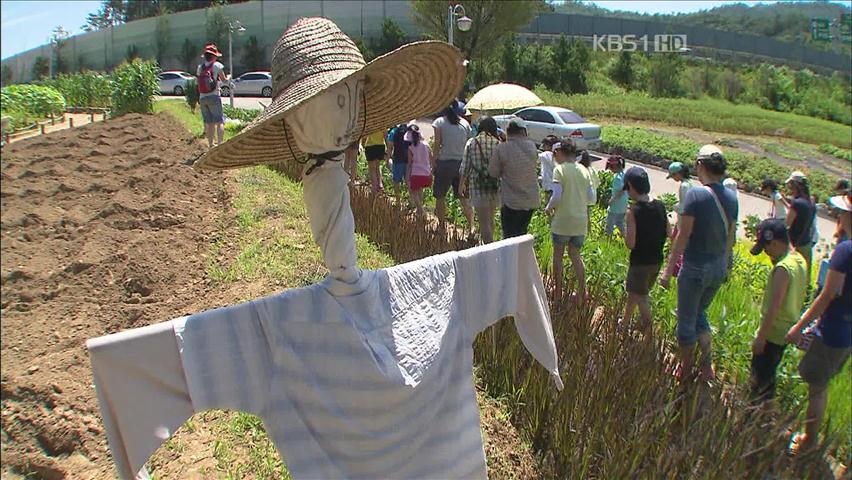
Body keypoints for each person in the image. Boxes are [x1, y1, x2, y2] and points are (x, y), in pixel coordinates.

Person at [660, 145, 738, 382]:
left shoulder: (696, 194)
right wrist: (726, 266)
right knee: (699, 313)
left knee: (685, 319)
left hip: (695, 267)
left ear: (701, 165)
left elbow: (683, 235)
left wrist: (667, 270)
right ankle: (707, 366)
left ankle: (685, 369)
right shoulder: (732, 197)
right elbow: (731, 237)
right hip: (717, 267)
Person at [785, 192, 851, 455]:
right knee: (820, 384)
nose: (838, 216)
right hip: (847, 330)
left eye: (842, 212)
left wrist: (799, 326)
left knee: (817, 388)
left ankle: (808, 441)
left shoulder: (846, 250)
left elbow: (828, 294)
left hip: (832, 329)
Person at [748, 219, 807, 404]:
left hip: (772, 333)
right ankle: (764, 414)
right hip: (785, 330)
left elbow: (775, 307)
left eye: (767, 248)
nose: (767, 253)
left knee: (760, 380)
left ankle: (755, 419)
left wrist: (761, 337)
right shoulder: (799, 259)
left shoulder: (783, 269)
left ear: (775, 242)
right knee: (769, 375)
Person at [545, 138, 594, 300]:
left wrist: (548, 208)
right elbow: (591, 197)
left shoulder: (559, 170)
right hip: (580, 222)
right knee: (575, 256)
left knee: (558, 256)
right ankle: (582, 291)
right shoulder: (584, 170)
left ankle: (558, 291)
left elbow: (556, 196)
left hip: (563, 221)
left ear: (561, 152)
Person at [623, 167, 669, 333]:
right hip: (656, 260)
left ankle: (649, 331)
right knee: (635, 293)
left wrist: (624, 232)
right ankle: (625, 322)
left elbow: (631, 243)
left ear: (630, 186)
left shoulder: (632, 211)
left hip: (640, 262)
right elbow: (669, 232)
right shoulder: (660, 205)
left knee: (641, 296)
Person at [489, 117, 540, 239]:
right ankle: (520, 257)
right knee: (522, 233)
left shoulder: (502, 148)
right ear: (524, 131)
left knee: (509, 236)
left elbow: (493, 172)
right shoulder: (532, 146)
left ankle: (510, 258)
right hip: (530, 199)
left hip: (511, 201)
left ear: (508, 131)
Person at [459, 116, 502, 244]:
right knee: (490, 219)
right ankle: (491, 244)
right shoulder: (498, 143)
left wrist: (461, 184)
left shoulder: (472, 142)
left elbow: (465, 166)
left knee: (483, 222)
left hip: (477, 186)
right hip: (495, 185)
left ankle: (489, 248)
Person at [432, 100, 474, 228]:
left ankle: (442, 226)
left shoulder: (439, 122)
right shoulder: (465, 123)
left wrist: (433, 162)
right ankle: (471, 226)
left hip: (445, 163)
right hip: (461, 164)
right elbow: (468, 144)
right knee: (464, 198)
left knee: (440, 196)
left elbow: (437, 144)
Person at [784, 171, 816, 285]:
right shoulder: (811, 202)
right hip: (806, 244)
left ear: (796, 185)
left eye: (790, 185)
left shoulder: (797, 203)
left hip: (793, 245)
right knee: (804, 281)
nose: (790, 189)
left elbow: (786, 225)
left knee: (789, 280)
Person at [196, 43, 227, 149]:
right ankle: (220, 145)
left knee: (209, 123)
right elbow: (224, 80)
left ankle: (210, 145)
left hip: (203, 98)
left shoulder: (200, 68)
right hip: (214, 96)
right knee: (219, 121)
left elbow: (199, 82)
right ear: (214, 56)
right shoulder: (217, 65)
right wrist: (229, 81)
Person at [405, 125, 432, 218]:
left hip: (416, 172)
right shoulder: (426, 145)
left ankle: (421, 209)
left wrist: (407, 175)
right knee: (420, 190)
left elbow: (409, 163)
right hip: (426, 173)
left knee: (414, 192)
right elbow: (431, 158)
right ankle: (419, 210)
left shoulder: (411, 148)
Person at [385, 123, 411, 206]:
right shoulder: (409, 131)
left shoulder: (393, 132)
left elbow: (390, 147)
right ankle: (412, 201)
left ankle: (398, 201)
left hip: (397, 159)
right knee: (408, 180)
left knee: (396, 181)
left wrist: (387, 159)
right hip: (408, 159)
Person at [605, 155, 628, 236]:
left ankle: (608, 241)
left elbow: (621, 191)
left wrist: (612, 200)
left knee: (609, 224)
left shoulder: (617, 178)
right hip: (624, 204)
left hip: (616, 204)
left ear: (613, 167)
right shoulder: (624, 175)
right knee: (620, 222)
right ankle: (625, 237)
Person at [578, 150, 599, 235]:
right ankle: (589, 233)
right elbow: (597, 182)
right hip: (592, 196)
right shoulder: (591, 169)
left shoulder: (580, 169)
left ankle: (585, 233)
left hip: (583, 196)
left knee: (583, 216)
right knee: (587, 215)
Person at [538, 136, 557, 200]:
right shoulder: (557, 155)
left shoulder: (546, 154)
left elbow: (536, 158)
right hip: (556, 185)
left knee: (549, 205)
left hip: (548, 185)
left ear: (548, 145)